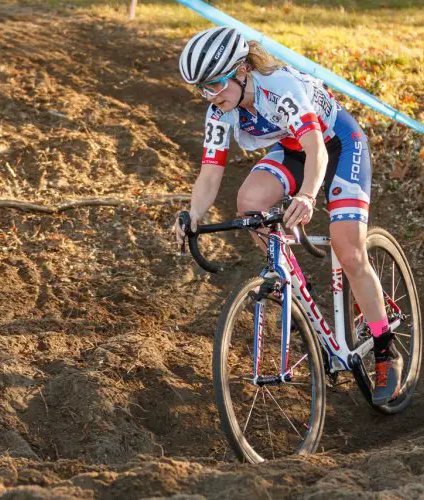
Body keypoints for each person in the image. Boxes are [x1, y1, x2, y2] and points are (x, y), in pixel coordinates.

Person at [173, 26, 401, 405]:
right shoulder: (220, 110)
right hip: (293, 150)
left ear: (241, 70)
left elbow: (318, 151)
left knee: (348, 248)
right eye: (203, 89)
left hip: (338, 146)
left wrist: (309, 195)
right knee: (249, 201)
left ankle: (384, 347)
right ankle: (291, 282)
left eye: (214, 85)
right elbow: (210, 172)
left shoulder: (279, 87)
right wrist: (193, 215)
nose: (210, 97)